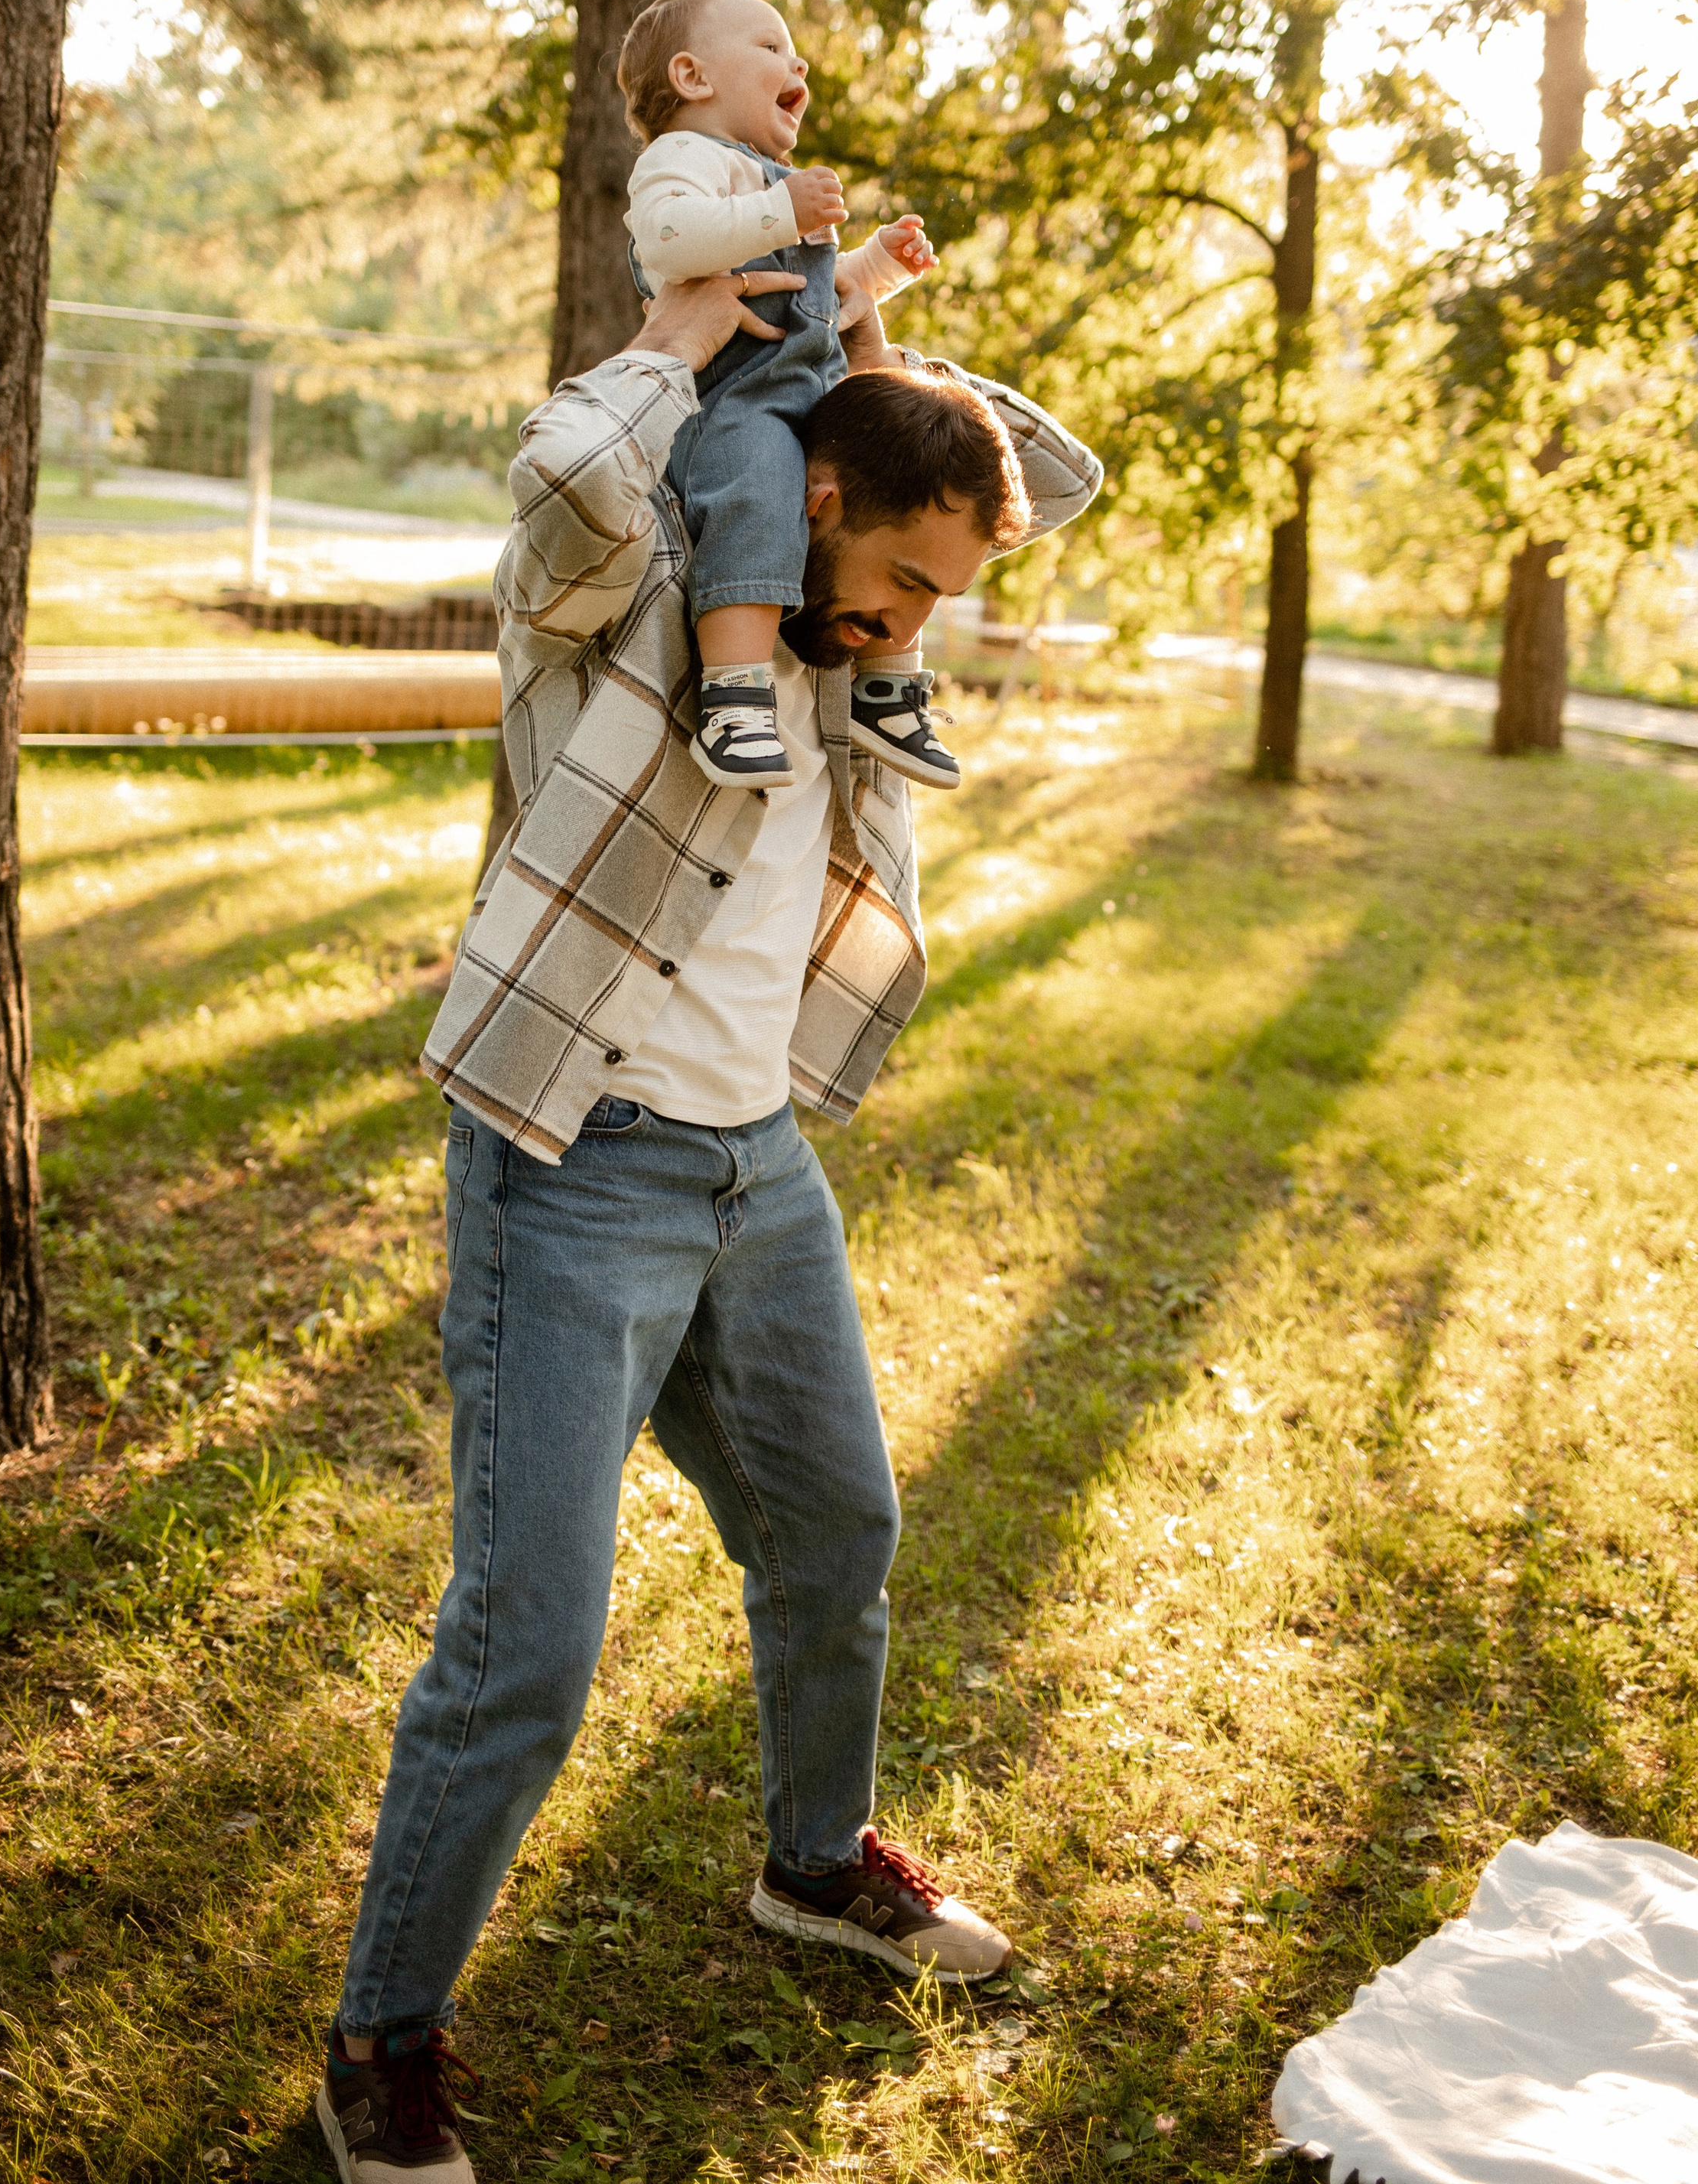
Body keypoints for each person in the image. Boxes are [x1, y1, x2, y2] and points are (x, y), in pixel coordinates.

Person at [316, 264, 1101, 2184]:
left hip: (755, 1161)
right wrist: (691, 342)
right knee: (528, 1641)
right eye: (907, 584)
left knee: (837, 1525)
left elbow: (1046, 467)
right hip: (577, 1157)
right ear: (814, 505)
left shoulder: (846, 613)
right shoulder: (634, 593)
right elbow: (563, 466)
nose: (912, 630)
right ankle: (380, 2035)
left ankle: (815, 1863)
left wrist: (847, 337)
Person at [619, 0, 957, 795]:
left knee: (896, 499)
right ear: (694, 77)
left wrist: (877, 266)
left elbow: (812, 294)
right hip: (736, 405)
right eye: (769, 46)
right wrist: (779, 208)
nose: (794, 59)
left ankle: (889, 688)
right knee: (764, 492)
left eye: (792, 50)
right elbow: (670, 243)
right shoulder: (683, 162)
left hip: (813, 396)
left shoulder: (770, 182)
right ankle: (735, 699)